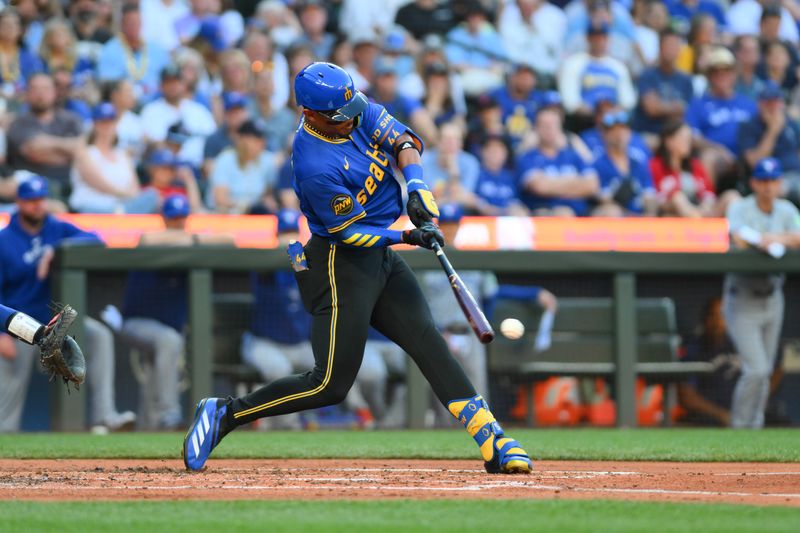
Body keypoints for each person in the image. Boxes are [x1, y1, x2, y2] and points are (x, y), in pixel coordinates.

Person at [183, 62, 533, 475]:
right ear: (310, 114)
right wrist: (408, 236)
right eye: (340, 117)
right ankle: (224, 414)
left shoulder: (352, 106)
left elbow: (404, 140)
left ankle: (491, 437)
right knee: (328, 383)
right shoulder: (312, 163)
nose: (351, 119)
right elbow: (351, 234)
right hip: (337, 264)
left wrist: (417, 185)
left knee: (428, 342)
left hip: (380, 256)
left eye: (352, 110)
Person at [0, 177, 135, 433]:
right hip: (18, 328)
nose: (37, 206)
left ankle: (105, 416)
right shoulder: (4, 239)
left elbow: (97, 239)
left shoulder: (56, 228)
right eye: (30, 201)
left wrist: (57, 248)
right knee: (7, 390)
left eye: (40, 200)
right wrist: (0, 334)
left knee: (99, 335)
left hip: (55, 322)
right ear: (19, 202)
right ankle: (5, 434)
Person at [120, 194, 231, 430]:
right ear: (164, 219)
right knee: (169, 341)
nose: (177, 223)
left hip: (164, 326)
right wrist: (192, 240)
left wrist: (193, 240)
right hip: (135, 322)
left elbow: (229, 240)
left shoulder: (189, 244)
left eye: (181, 218)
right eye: (173, 219)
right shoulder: (154, 240)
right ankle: (169, 414)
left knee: (154, 372)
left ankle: (146, 428)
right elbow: (145, 239)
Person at [724, 157, 800, 429]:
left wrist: (776, 238)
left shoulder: (787, 209)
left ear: (779, 183)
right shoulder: (740, 208)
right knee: (755, 369)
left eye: (773, 181)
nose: (768, 186)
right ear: (754, 182)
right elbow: (737, 236)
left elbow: (799, 235)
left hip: (772, 297)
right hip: (742, 297)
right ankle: (740, 427)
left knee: (764, 371)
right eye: (763, 181)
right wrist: (762, 240)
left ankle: (753, 427)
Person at [685, 46, 757, 183]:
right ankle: (708, 200)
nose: (721, 76)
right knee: (708, 157)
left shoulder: (748, 104)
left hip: (748, 157)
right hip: (718, 158)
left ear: (734, 74)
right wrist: (719, 150)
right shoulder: (699, 104)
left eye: (726, 71)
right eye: (715, 72)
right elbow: (693, 137)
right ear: (709, 76)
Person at [70, 103, 159, 214]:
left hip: (122, 206)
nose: (107, 126)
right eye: (102, 122)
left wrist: (130, 197)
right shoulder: (85, 153)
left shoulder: (123, 155)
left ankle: (123, 213)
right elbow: (98, 183)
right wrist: (124, 195)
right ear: (95, 124)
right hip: (92, 206)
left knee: (152, 195)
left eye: (111, 121)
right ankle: (122, 213)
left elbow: (134, 188)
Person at [6, 73, 83, 192]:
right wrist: (68, 151)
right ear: (27, 93)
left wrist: (48, 143)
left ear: (55, 92)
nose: (40, 94)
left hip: (71, 185)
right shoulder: (18, 123)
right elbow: (36, 152)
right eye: (35, 89)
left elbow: (83, 148)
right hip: (31, 188)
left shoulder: (71, 120)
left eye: (46, 88)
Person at [516, 107, 599, 217]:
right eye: (545, 125)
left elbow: (592, 186)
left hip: (581, 213)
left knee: (610, 212)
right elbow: (539, 187)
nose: (549, 129)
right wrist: (576, 182)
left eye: (553, 125)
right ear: (536, 128)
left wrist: (552, 184)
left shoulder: (572, 155)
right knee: (563, 213)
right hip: (545, 213)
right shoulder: (527, 157)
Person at [558, 19, 636, 127]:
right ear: (588, 38)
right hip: (584, 120)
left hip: (614, 120)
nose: (600, 41)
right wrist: (596, 114)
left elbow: (627, 100)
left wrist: (611, 112)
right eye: (595, 38)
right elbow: (570, 101)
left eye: (603, 38)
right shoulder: (574, 63)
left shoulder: (618, 66)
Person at [650, 119, 736, 217]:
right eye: (682, 139)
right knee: (678, 198)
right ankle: (697, 224)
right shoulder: (655, 165)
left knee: (731, 195)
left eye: (689, 139)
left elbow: (709, 194)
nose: (687, 143)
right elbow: (656, 197)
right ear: (668, 141)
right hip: (673, 215)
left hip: (701, 211)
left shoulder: (695, 165)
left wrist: (706, 204)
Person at [678, 297, 739, 427]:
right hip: (706, 420)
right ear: (704, 320)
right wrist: (721, 415)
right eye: (712, 315)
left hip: (742, 416)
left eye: (723, 315)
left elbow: (772, 372)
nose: (717, 322)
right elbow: (687, 397)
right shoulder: (694, 348)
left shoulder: (740, 345)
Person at [737, 80, 800, 200]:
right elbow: (754, 162)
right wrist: (772, 131)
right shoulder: (749, 126)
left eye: (776, 102)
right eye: (768, 103)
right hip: (770, 179)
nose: (773, 107)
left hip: (796, 174)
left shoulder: (790, 123)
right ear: (760, 104)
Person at [96, 3, 170, 100]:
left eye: (137, 22)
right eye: (130, 22)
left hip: (156, 104)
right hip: (123, 104)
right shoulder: (110, 50)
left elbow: (169, 76)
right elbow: (108, 83)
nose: (134, 26)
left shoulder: (156, 49)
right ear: (122, 24)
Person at [592, 110, 658, 216]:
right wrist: (633, 219)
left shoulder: (638, 161)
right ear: (605, 134)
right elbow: (604, 199)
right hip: (618, 222)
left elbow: (649, 193)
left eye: (623, 129)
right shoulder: (598, 163)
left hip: (642, 219)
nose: (619, 134)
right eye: (614, 130)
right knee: (611, 211)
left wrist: (649, 213)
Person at [207, 119, 281, 214]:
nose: (261, 144)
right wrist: (244, 206)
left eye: (262, 139)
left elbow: (268, 193)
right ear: (242, 139)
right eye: (255, 139)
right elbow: (220, 198)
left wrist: (268, 202)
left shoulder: (267, 160)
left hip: (255, 215)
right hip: (226, 215)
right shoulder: (226, 159)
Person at [632, 28, 694, 137]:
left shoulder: (686, 80)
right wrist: (676, 108)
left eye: (674, 46)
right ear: (660, 49)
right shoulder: (648, 75)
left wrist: (662, 107)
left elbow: (688, 112)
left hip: (674, 136)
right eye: (668, 46)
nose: (671, 50)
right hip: (649, 132)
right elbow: (652, 109)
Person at [0, 7, 43, 98]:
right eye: (5, 24)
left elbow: (37, 82)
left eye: (14, 24)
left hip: (23, 102)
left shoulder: (30, 57)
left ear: (21, 30)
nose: (9, 28)